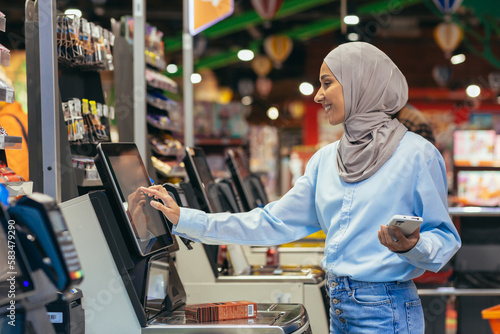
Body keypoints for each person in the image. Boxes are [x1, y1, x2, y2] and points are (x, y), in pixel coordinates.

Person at [141, 42, 461, 333]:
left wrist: (412, 247)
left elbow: (444, 238)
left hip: (387, 309)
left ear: (359, 82)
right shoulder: (325, 160)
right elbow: (272, 222)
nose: (318, 96)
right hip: (339, 305)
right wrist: (186, 219)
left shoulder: (417, 155)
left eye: (327, 84)